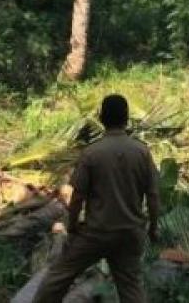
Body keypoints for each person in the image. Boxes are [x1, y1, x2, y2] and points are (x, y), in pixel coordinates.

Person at [33, 94, 160, 303]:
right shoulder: (141, 152)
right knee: (131, 286)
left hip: (97, 233)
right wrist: (153, 228)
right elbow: (153, 195)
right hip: (130, 233)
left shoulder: (92, 153)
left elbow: (78, 197)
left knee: (59, 276)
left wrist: (73, 226)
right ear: (126, 119)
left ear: (102, 118)